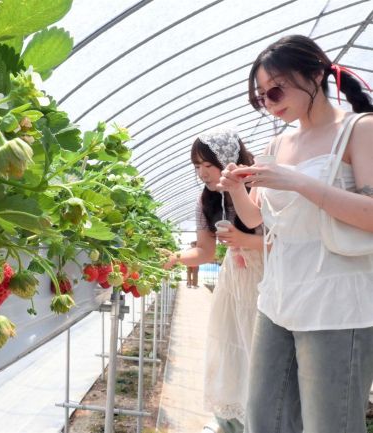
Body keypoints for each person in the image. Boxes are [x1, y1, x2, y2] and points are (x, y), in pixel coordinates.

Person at [219, 35, 373, 433]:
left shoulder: (359, 129)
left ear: (317, 73)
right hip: (278, 297)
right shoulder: (279, 142)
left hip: (337, 303)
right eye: (261, 99)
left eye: (275, 89)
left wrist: (296, 181)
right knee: (264, 419)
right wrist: (236, 186)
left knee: (329, 424)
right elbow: (257, 219)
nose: (270, 103)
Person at [165, 129, 264, 433]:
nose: (202, 174)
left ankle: (261, 419)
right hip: (235, 278)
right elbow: (205, 252)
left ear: (227, 159)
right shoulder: (206, 200)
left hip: (268, 274)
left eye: (207, 165)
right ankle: (231, 420)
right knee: (231, 345)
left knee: (261, 349)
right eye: (197, 167)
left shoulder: (260, 185)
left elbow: (287, 240)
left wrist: (246, 240)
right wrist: (173, 257)